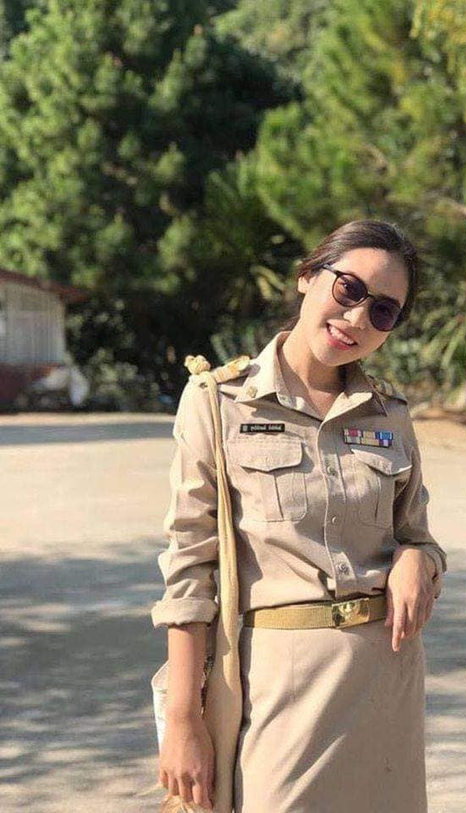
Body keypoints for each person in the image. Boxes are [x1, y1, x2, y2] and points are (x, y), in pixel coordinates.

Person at [151, 218, 448, 812]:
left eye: (383, 311)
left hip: (385, 683)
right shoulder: (219, 402)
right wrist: (184, 717)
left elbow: (417, 536)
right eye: (348, 289)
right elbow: (190, 570)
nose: (357, 318)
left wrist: (419, 559)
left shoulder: (389, 414)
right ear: (307, 277)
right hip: (278, 687)